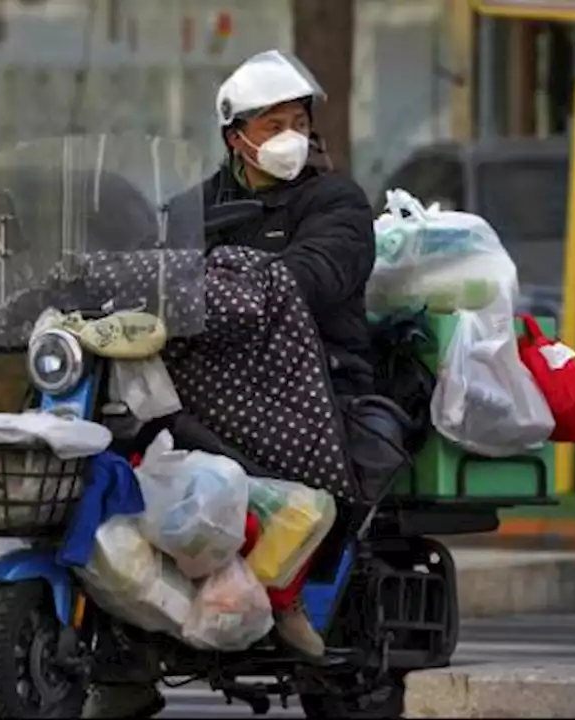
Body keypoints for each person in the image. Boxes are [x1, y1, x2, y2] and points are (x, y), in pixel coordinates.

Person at [83, 49, 378, 720]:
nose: (289, 139)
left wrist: (231, 287)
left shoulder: (336, 200)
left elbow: (315, 276)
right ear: (234, 136)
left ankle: (279, 592)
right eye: (271, 125)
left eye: (297, 121)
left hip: (318, 373)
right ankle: (123, 630)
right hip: (206, 373)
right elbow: (150, 273)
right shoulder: (191, 207)